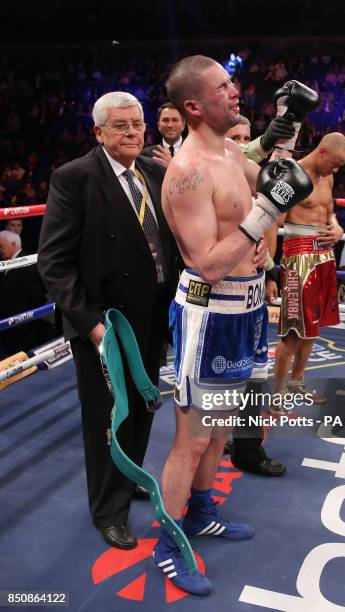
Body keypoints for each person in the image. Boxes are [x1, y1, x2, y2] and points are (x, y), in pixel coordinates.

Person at [154, 55, 314, 595]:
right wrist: (269, 207)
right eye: (224, 87)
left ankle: (200, 513)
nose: (236, 92)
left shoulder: (227, 151)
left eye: (233, 83)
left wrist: (287, 129)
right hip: (209, 310)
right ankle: (169, 542)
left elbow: (274, 181)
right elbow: (209, 262)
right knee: (192, 438)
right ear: (194, 105)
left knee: (223, 428)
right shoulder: (187, 172)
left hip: (246, 308)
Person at [37, 92, 180, 550]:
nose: (133, 132)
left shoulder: (156, 172)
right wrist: (91, 325)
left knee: (142, 406)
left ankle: (131, 475)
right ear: (98, 132)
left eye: (137, 124)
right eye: (120, 126)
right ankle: (108, 510)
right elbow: (54, 263)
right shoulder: (75, 177)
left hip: (155, 315)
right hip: (105, 324)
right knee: (107, 417)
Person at [224, 115, 288, 476]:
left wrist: (269, 274)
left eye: (247, 138)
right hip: (219, 293)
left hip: (252, 289)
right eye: (236, 138)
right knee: (224, 376)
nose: (244, 145)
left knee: (255, 373)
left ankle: (247, 444)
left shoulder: (257, 182)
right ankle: (231, 440)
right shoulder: (215, 182)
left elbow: (269, 234)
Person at [268, 133, 345, 407]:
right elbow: (271, 223)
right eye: (334, 163)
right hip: (297, 258)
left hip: (325, 256)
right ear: (322, 152)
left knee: (313, 329)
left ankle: (296, 383)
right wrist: (269, 271)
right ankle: (277, 394)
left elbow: (329, 209)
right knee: (291, 333)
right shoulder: (291, 177)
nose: (335, 170)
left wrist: (337, 227)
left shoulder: (328, 177)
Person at [0, 230, 54, 358]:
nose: (0, 250)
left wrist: (24, 317)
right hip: (11, 327)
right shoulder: (7, 264)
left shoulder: (26, 264)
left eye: (1, 246)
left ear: (13, 244)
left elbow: (37, 296)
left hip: (25, 328)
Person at [142, 102, 186, 167]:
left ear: (183, 125)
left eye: (175, 120)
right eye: (165, 120)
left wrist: (171, 166)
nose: (170, 125)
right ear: (158, 125)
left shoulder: (196, 153)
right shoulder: (145, 155)